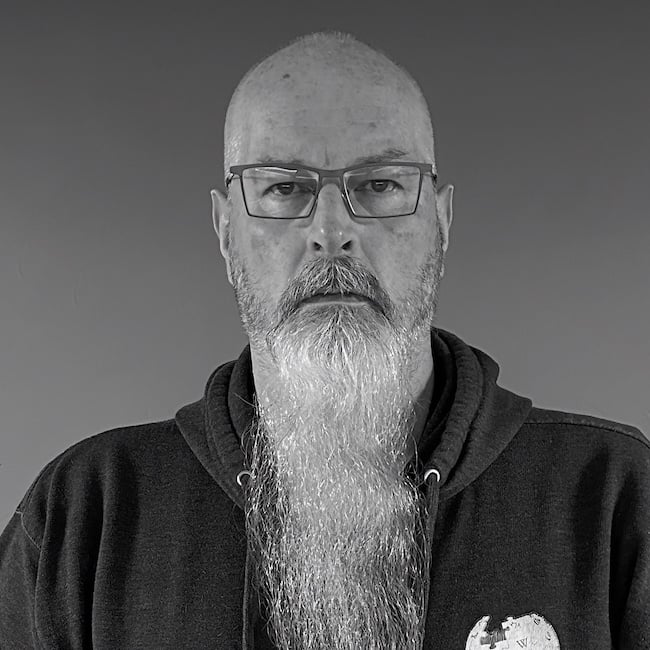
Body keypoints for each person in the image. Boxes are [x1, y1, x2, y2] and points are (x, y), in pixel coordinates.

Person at [0, 30, 648, 650]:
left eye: (381, 184)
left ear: (441, 221)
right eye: (283, 188)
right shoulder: (86, 517)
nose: (332, 232)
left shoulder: (613, 497)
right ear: (225, 231)